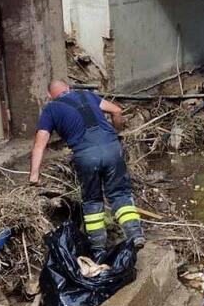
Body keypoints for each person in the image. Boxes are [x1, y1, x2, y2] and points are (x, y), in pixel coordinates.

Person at [29, 79, 144, 256]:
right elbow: (116, 110)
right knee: (120, 194)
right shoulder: (87, 95)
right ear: (69, 88)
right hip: (112, 149)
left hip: (86, 156)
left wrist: (34, 175)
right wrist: (117, 131)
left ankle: (98, 248)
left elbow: (39, 143)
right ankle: (135, 234)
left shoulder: (50, 109)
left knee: (92, 201)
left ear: (49, 96)